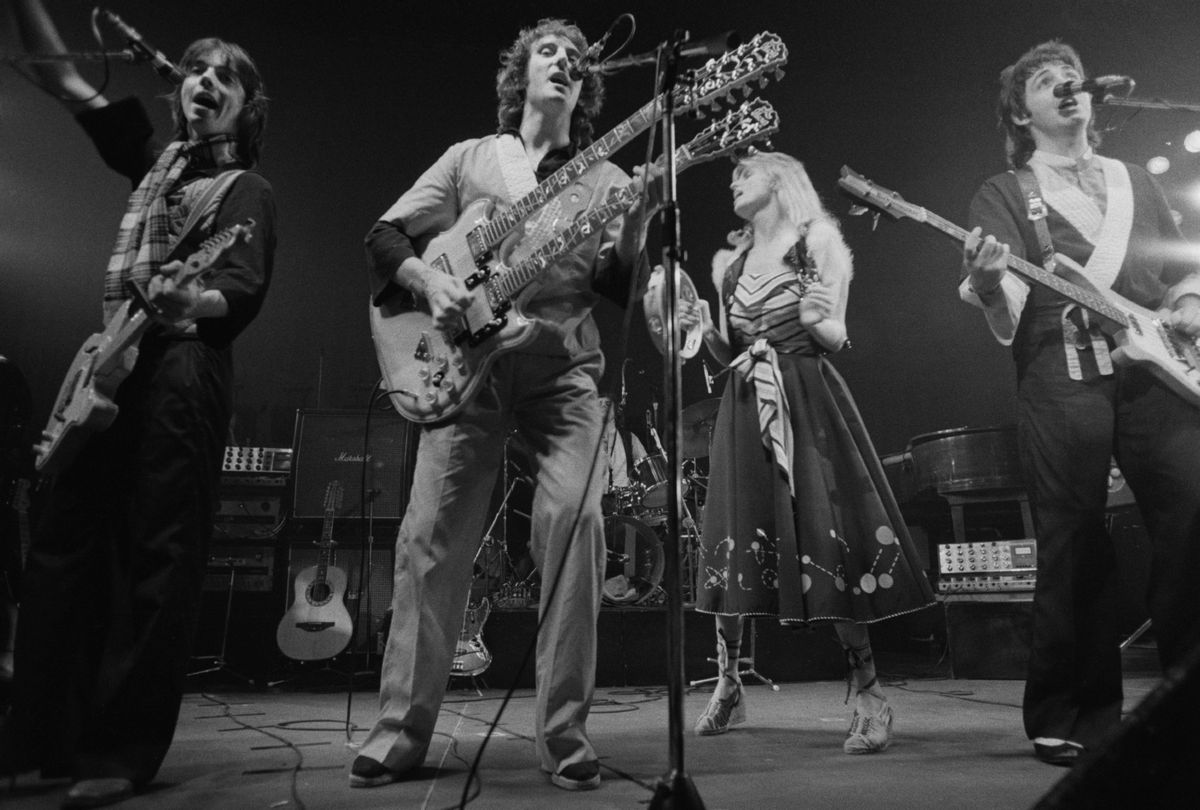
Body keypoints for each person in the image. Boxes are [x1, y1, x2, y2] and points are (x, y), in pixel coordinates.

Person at [355, 18, 654, 792]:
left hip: (563, 371)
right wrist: (433, 281)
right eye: (549, 52)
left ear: (586, 92)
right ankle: (400, 730)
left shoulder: (610, 179)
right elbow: (385, 237)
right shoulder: (470, 158)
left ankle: (563, 733)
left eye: (577, 62)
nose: (565, 64)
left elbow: (618, 291)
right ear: (520, 72)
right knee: (430, 537)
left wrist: (638, 229)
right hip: (467, 368)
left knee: (578, 524)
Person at [1, 1, 275, 806]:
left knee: (160, 555)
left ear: (245, 105)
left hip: (183, 370)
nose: (206, 82)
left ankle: (120, 751)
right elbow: (64, 81)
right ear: (178, 88)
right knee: (62, 547)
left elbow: (241, 288)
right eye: (196, 70)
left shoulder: (247, 188)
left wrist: (193, 305)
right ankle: (41, 740)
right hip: (109, 366)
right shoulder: (154, 165)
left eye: (225, 76)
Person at [962, 41, 1200, 767]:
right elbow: (1003, 309)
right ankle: (1074, 710)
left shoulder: (1134, 180)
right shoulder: (1003, 192)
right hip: (1059, 368)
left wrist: (1188, 303)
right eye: (1042, 81)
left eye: (1069, 77)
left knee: (1191, 506)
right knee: (1073, 537)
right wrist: (986, 278)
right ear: (1020, 111)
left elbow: (1178, 261)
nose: (1064, 86)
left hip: (1151, 366)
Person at [683, 150, 934, 753]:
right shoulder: (729, 262)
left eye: (746, 172)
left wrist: (815, 316)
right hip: (744, 405)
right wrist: (703, 329)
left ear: (780, 178)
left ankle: (871, 696)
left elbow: (834, 335)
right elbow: (726, 352)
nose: (734, 181)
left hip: (805, 396)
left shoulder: (816, 239)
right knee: (732, 539)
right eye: (733, 176)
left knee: (828, 538)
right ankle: (728, 685)